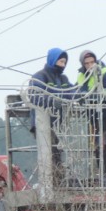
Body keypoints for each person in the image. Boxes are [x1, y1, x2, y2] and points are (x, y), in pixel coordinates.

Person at [28, 48, 77, 187]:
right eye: (60, 61)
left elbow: (71, 93)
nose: (63, 64)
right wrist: (53, 101)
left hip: (58, 123)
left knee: (56, 153)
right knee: (50, 153)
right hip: (42, 123)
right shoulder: (40, 76)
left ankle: (56, 182)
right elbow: (34, 96)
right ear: (53, 60)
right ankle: (51, 183)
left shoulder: (63, 79)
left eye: (65, 62)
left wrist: (82, 93)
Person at [76, 49, 106, 186]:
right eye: (87, 63)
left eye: (92, 62)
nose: (90, 65)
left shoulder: (105, 72)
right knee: (97, 149)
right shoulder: (81, 76)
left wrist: (96, 96)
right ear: (83, 64)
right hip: (95, 118)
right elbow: (77, 93)